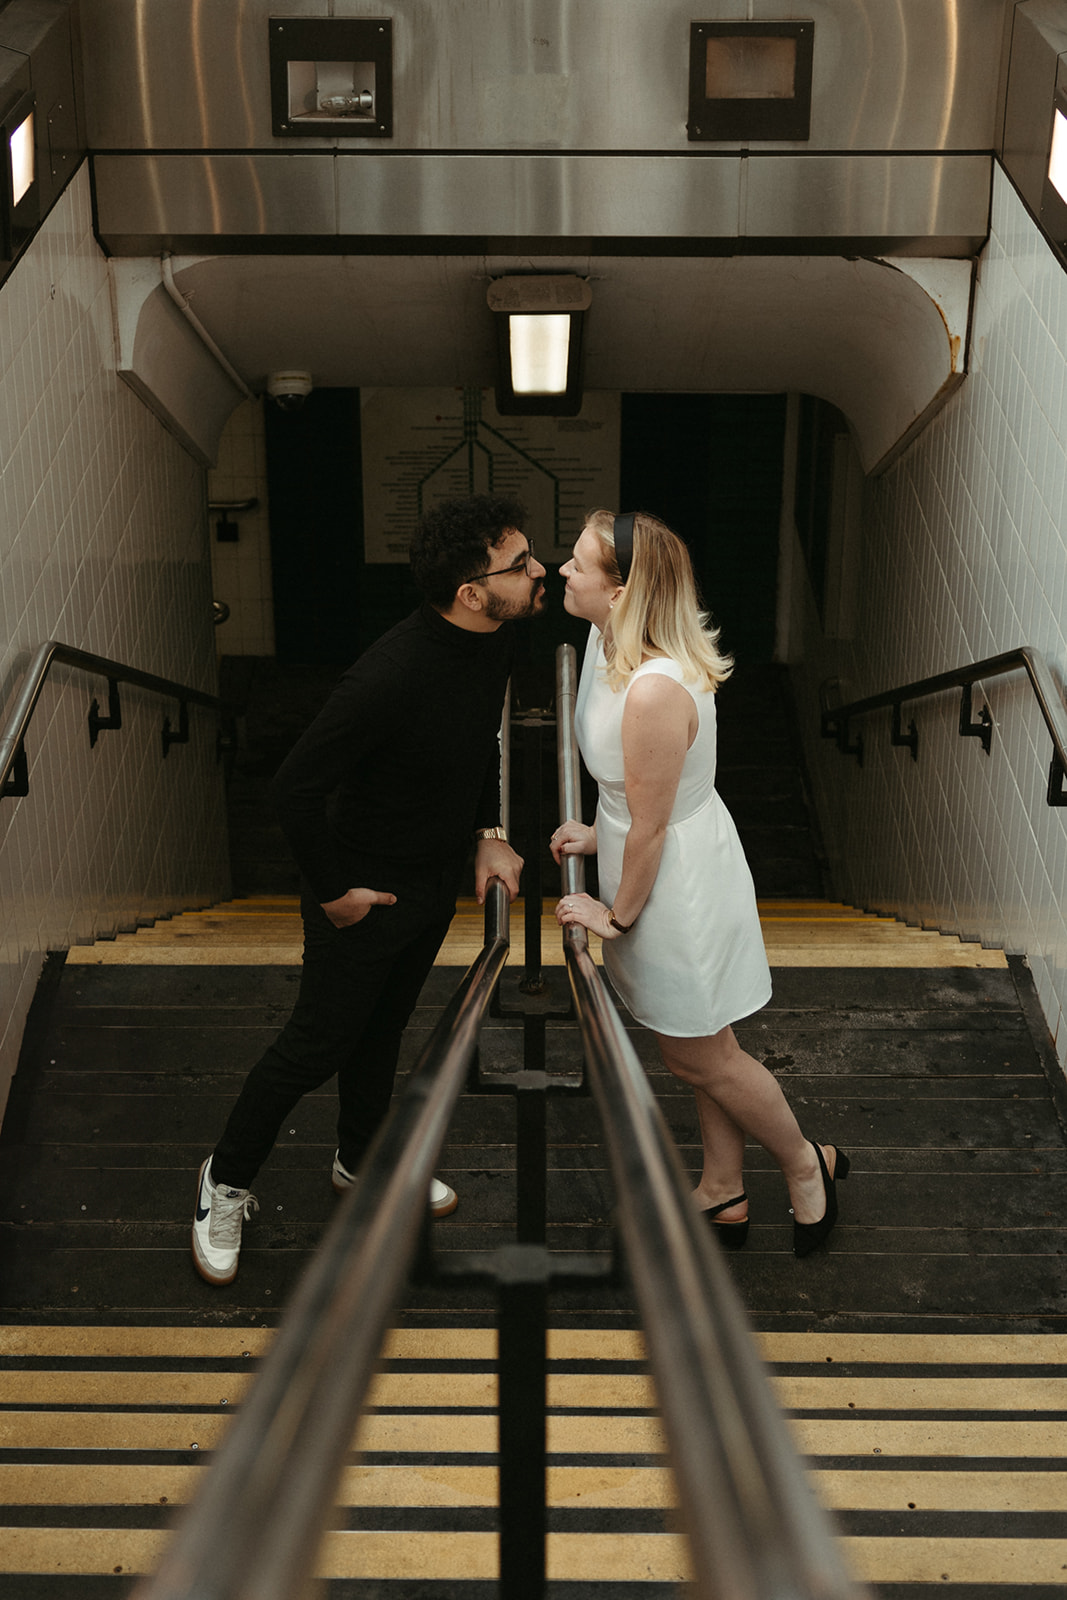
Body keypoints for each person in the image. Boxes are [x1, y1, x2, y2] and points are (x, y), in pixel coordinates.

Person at [192, 494, 546, 1286]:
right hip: (363, 891)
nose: (538, 570)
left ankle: (360, 1161)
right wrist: (334, 894)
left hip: (431, 881)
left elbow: (471, 747)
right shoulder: (390, 673)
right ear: (470, 592)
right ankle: (224, 1181)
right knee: (314, 1045)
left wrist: (487, 831)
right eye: (520, 564)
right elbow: (292, 789)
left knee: (382, 1030)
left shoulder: (493, 643)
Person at [551, 510, 848, 1257]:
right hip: (646, 852)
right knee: (697, 1038)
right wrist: (599, 829)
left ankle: (801, 1165)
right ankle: (722, 1187)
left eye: (578, 564)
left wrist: (610, 917)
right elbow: (635, 796)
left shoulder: (654, 688)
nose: (562, 571)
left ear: (618, 591)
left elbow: (651, 825)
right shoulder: (606, 638)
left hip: (671, 886)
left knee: (695, 1052)